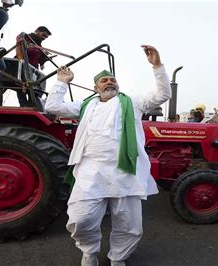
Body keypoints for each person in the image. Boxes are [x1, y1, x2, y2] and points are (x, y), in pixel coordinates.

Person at [45, 45, 171, 266]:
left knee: (129, 224)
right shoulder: (84, 106)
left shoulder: (132, 101)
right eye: (104, 81)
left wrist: (157, 66)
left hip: (125, 171)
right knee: (80, 219)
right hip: (90, 171)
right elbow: (53, 106)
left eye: (112, 79)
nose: (109, 82)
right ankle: (89, 252)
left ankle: (118, 257)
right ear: (96, 87)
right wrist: (62, 82)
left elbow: (163, 95)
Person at [15, 26, 52, 107]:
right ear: (37, 31)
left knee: (36, 87)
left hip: (33, 69)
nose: (44, 38)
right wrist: (30, 47)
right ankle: (24, 105)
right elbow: (21, 48)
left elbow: (39, 59)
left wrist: (45, 57)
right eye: (43, 35)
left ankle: (33, 104)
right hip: (22, 66)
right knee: (21, 87)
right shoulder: (26, 37)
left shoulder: (39, 45)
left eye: (46, 37)